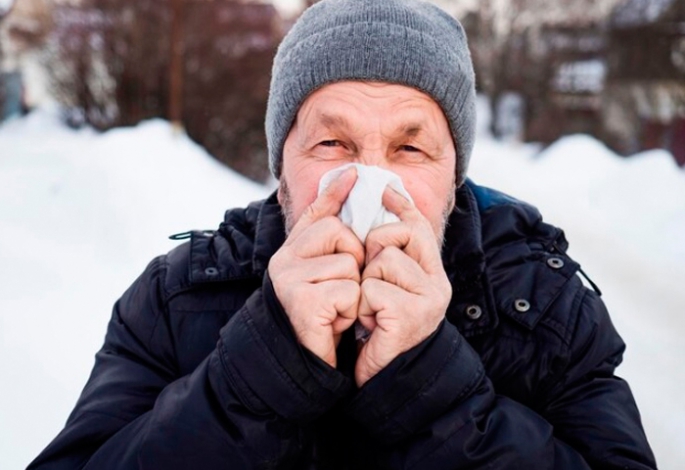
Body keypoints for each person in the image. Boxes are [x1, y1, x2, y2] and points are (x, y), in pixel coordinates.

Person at [29, 0, 657, 468]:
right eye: (332, 143)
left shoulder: (546, 309)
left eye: (411, 147)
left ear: (455, 176)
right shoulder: (174, 298)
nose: (371, 185)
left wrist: (427, 384)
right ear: (281, 169)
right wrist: (264, 362)